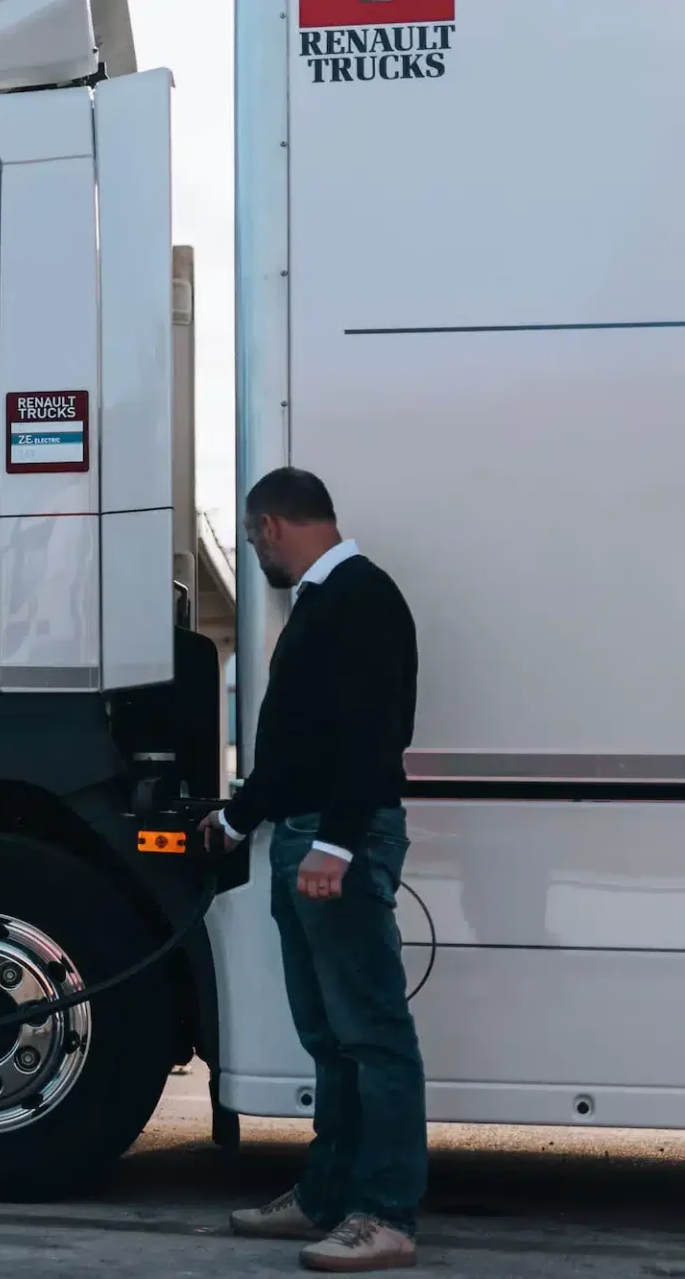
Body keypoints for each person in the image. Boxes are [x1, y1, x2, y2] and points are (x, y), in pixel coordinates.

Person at [201, 467, 425, 1273]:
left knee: (373, 1036)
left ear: (268, 527)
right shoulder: (324, 603)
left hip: (340, 840)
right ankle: (328, 1197)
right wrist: (237, 818)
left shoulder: (361, 597)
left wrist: (336, 844)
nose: (257, 551)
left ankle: (387, 1217)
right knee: (331, 1038)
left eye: (254, 537)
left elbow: (373, 734)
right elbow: (300, 746)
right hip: (306, 832)